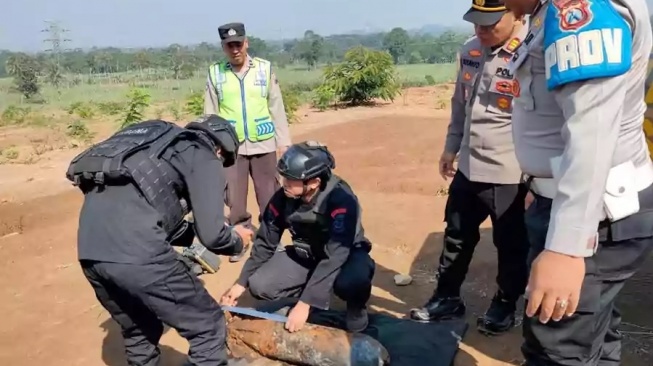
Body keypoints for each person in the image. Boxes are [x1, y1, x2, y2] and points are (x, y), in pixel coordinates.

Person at [503, 0, 653, 364]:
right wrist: (538, 186)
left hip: (595, 216)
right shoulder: (549, 9)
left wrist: (567, 247)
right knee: (596, 340)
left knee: (557, 349)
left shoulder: (578, 6)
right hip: (586, 205)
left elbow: (593, 130)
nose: (504, 5)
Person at [66, 115, 255, 366]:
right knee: (207, 324)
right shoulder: (203, 155)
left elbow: (167, 222)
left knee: (140, 328)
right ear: (220, 149)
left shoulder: (156, 148)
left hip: (91, 253)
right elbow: (214, 236)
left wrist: (195, 236)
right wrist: (238, 241)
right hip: (139, 253)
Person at [409, 0, 530, 336]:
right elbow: (460, 106)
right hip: (469, 167)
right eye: (476, 22)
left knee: (511, 246)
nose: (481, 30)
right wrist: (451, 147)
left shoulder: (532, 52)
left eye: (491, 23)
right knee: (456, 237)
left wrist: (536, 180)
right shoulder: (470, 51)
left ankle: (504, 304)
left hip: (511, 174)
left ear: (516, 13)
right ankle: (446, 298)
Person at [219, 141, 376, 333]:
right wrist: (240, 283)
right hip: (308, 255)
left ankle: (356, 308)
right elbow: (265, 243)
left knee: (353, 281)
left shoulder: (341, 200)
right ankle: (312, 291)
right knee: (260, 284)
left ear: (314, 183)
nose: (284, 183)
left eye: (291, 180)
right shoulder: (283, 198)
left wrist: (305, 304)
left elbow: (336, 254)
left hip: (344, 256)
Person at [204, 22, 292, 263]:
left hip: (263, 144)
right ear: (223, 47)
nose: (235, 50)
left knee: (269, 194)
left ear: (246, 43)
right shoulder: (215, 73)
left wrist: (283, 142)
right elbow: (210, 113)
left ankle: (271, 240)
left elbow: (277, 107)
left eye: (238, 44)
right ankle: (240, 238)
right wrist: (213, 144)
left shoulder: (264, 69)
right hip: (231, 148)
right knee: (234, 196)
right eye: (229, 45)